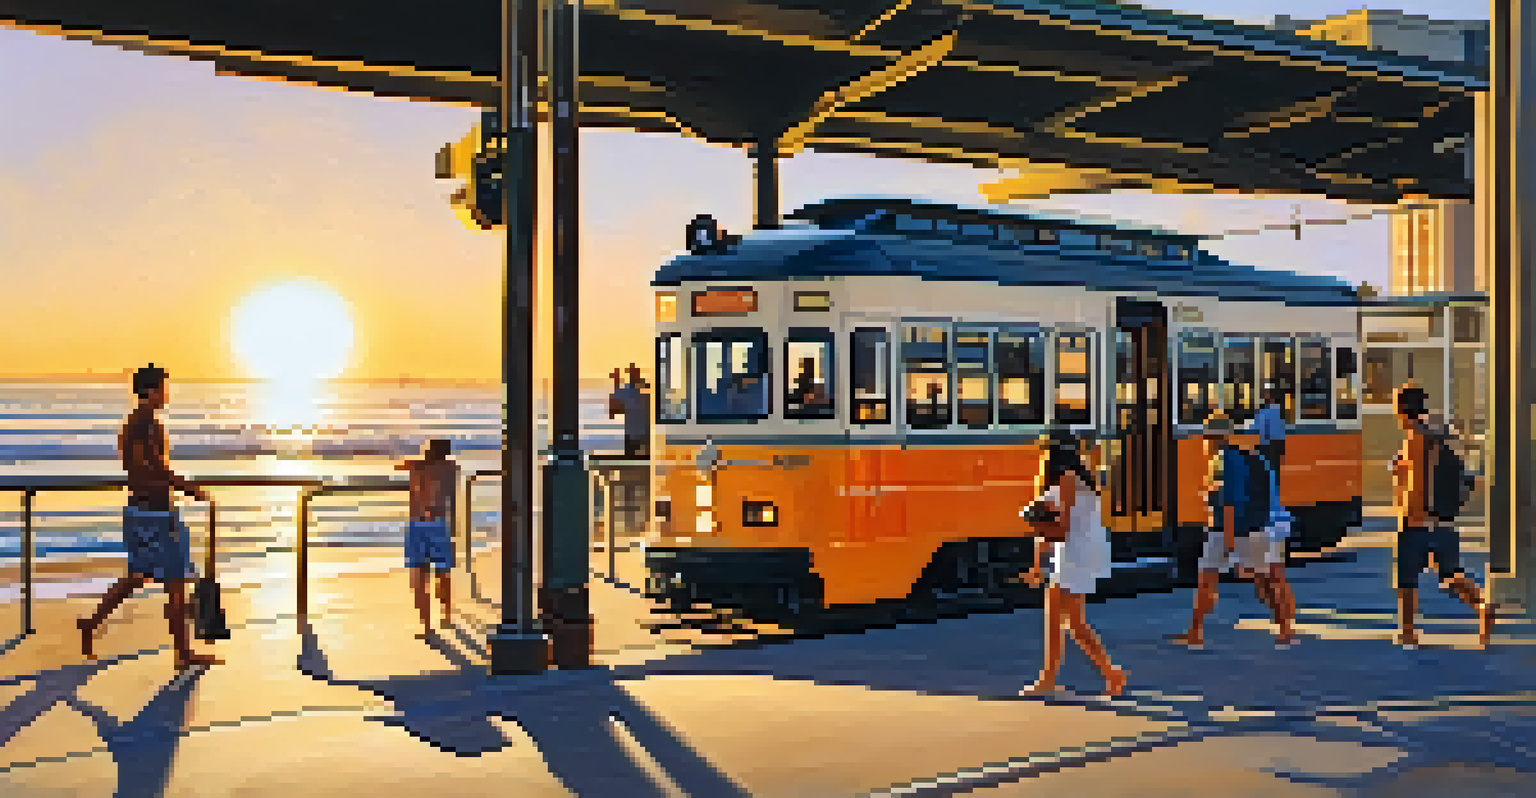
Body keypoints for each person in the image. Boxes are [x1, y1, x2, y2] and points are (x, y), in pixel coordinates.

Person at [78, 364, 221, 671]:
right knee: (176, 582)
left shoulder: (133, 422)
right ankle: (183, 654)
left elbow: (141, 466)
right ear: (152, 390)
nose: (167, 394)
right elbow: (153, 465)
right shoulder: (146, 421)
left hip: (139, 510)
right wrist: (188, 487)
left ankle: (90, 623)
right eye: (164, 388)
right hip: (156, 514)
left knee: (139, 575)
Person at [1168, 411, 1295, 648]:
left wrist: (1229, 544)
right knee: (1211, 579)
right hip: (1237, 528)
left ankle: (1285, 628)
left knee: (1261, 581)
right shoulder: (1240, 456)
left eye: (1206, 437)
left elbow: (1230, 503)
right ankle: (1195, 632)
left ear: (1213, 438)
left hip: (1238, 530)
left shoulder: (1224, 460)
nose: (1204, 442)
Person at [1019, 432, 1127, 698]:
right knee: (1070, 620)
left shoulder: (1068, 480)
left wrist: (1037, 519)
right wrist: (1037, 563)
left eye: (1045, 452)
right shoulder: (1075, 479)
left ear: (1054, 454)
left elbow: (1063, 526)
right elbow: (1051, 528)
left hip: (1077, 552)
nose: (1042, 457)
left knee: (1061, 617)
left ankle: (1052, 679)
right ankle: (1110, 674)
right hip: (1075, 550)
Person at [1391, 384, 1494, 649]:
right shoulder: (1439, 435)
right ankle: (1482, 606)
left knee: (1406, 580)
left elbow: (1417, 484)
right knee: (1451, 575)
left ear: (1403, 410)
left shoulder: (1415, 438)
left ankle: (1408, 633)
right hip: (1444, 521)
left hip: (1418, 521)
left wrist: (1408, 516)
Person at [395, 439, 459, 639]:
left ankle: (427, 627)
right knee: (442, 573)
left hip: (418, 524)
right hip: (440, 524)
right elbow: (451, 500)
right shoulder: (450, 469)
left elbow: (397, 464)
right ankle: (446, 615)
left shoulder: (417, 467)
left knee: (420, 578)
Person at [608, 364, 651, 458]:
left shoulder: (641, 390)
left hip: (641, 433)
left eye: (633, 374)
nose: (632, 376)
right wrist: (616, 380)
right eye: (632, 374)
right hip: (636, 434)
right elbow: (616, 403)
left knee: (639, 459)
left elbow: (616, 402)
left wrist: (616, 380)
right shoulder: (632, 390)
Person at [1254, 391, 1287, 490]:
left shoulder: (1263, 412)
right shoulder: (1277, 410)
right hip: (1277, 442)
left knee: (1268, 467)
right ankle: (1275, 487)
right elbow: (1281, 428)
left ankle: (1269, 487)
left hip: (1268, 443)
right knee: (1275, 467)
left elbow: (1259, 428)